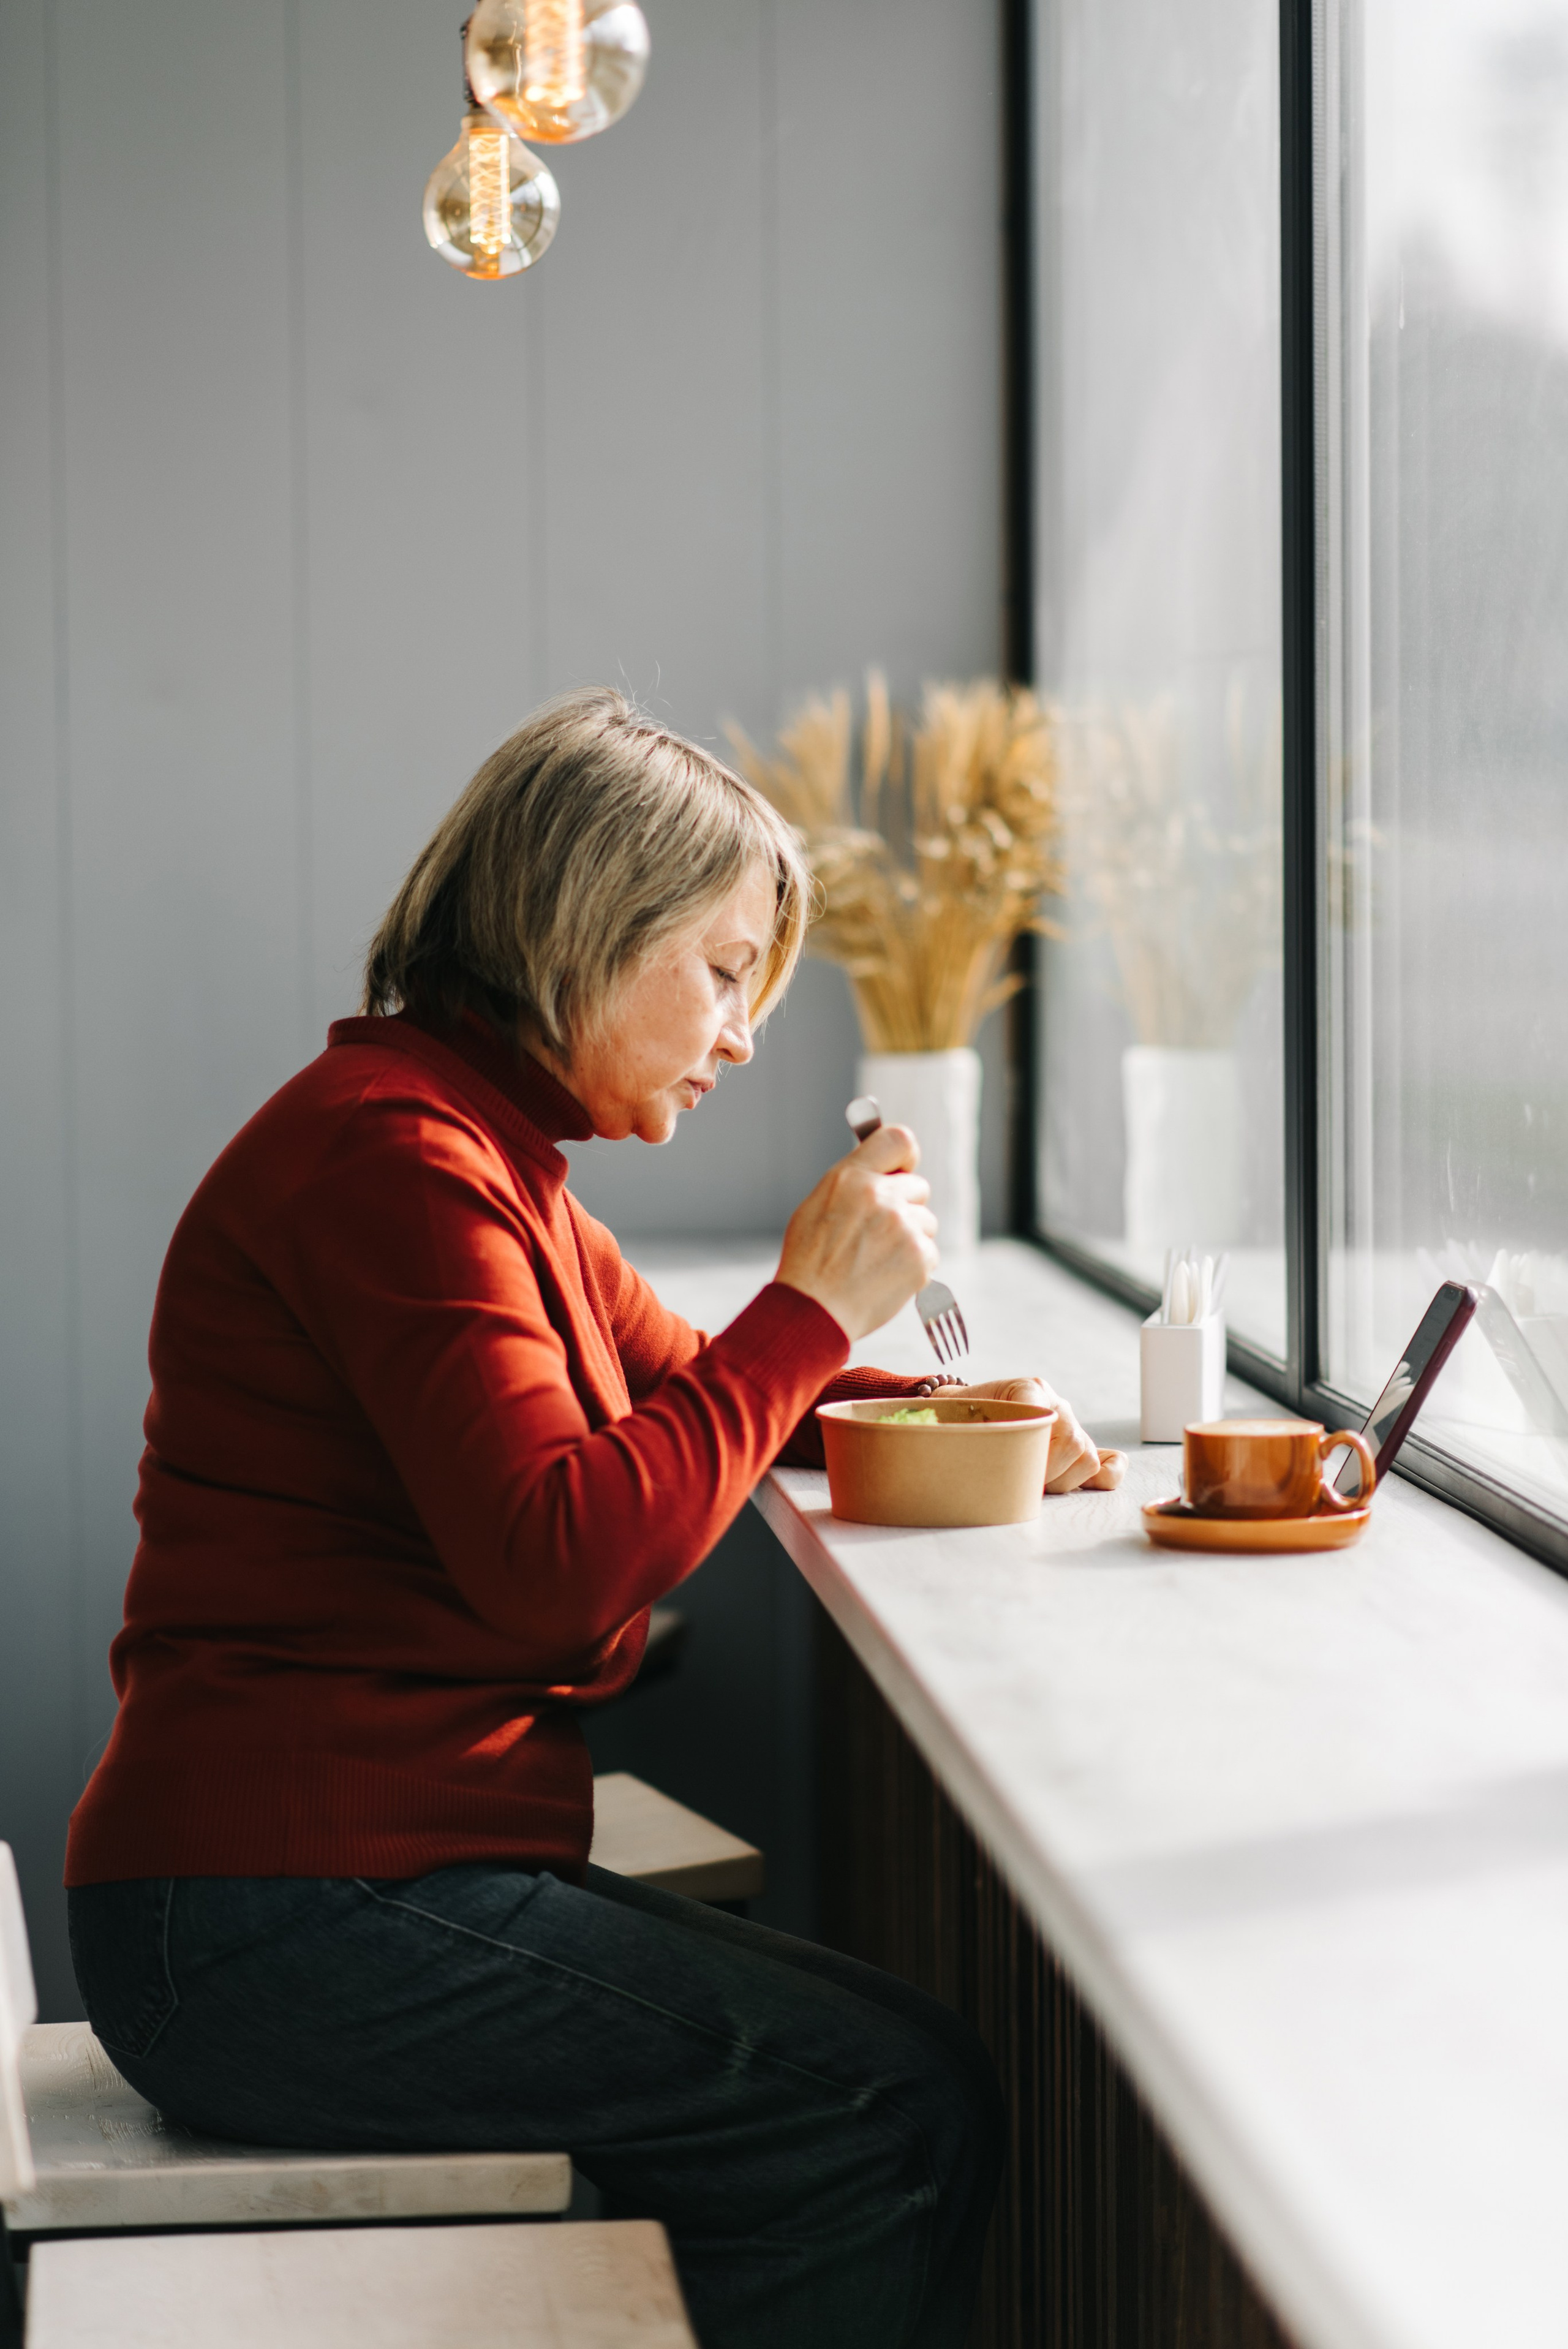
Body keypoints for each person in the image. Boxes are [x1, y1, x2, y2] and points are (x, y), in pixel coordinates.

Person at [65, 688, 1119, 2348]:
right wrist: (813, 1309)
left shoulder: (485, 1162)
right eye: (723, 970)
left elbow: (708, 1393)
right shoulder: (397, 1163)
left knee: (911, 2080)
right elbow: (564, 1561)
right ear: (585, 922)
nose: (744, 1034)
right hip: (271, 1917)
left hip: (327, 1883)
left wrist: (967, 1413)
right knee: (888, 2114)